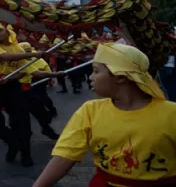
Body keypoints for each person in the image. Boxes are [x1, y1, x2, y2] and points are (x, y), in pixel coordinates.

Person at [34, 43, 176, 187]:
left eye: (96, 71)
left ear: (120, 77)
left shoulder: (171, 113)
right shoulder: (90, 111)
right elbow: (65, 155)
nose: (90, 77)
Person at [0, 21, 43, 167]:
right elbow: (4, 57)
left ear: (8, 32)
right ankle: (12, 143)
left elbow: (26, 71)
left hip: (12, 87)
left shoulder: (18, 49)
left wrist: (57, 74)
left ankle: (26, 154)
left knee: (21, 122)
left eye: (0, 31)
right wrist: (34, 54)